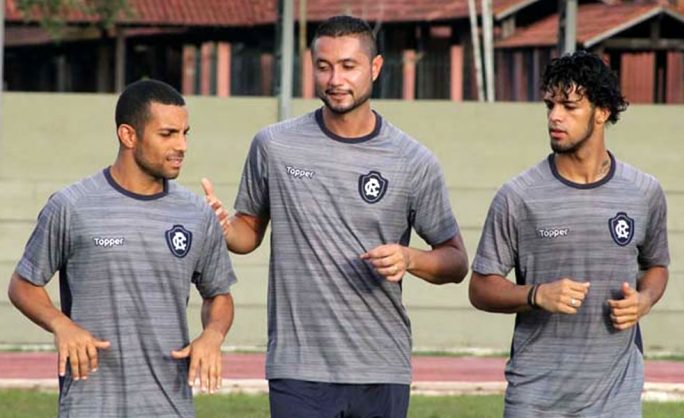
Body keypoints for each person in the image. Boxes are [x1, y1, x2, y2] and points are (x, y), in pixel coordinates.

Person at [202, 15, 468, 418]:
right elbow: (248, 234)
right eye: (324, 66)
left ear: (375, 68)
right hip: (298, 367)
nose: (334, 79)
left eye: (348, 66)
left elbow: (456, 261)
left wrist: (410, 258)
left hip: (381, 367)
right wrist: (224, 227)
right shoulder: (275, 146)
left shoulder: (413, 161)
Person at [7, 79, 236, 417]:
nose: (182, 145)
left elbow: (219, 294)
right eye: (167, 134)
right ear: (128, 136)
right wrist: (62, 324)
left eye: (185, 133)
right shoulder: (72, 206)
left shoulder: (197, 214)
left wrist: (213, 334)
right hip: (89, 405)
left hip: (170, 406)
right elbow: (23, 284)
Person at [469, 51, 670, 417]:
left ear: (602, 112)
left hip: (616, 399)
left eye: (569, 106)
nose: (554, 117)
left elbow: (656, 265)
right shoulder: (518, 196)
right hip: (536, 399)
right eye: (550, 105)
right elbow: (480, 288)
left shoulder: (643, 192)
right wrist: (535, 294)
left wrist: (645, 300)